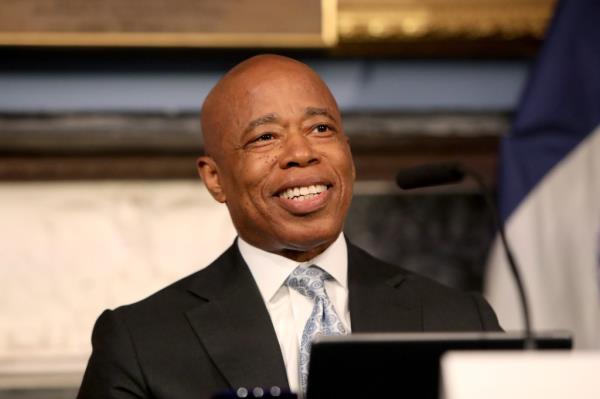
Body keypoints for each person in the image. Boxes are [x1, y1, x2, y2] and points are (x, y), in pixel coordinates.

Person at [77, 54, 501, 399]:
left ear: (348, 157)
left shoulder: (461, 320)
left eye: (321, 128)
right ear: (215, 178)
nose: (301, 152)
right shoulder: (141, 343)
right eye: (265, 137)